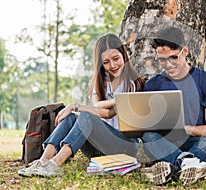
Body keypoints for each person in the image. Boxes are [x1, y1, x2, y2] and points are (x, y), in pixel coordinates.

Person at [18, 33, 145, 177]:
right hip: (99, 148)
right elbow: (99, 107)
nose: (112, 65)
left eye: (116, 59)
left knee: (86, 116)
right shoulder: (101, 83)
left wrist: (76, 106)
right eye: (106, 62)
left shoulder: (134, 84)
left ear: (124, 55)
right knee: (71, 118)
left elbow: (108, 113)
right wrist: (74, 108)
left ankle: (56, 163)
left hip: (125, 147)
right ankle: (44, 161)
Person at [141, 27, 206, 185]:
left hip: (194, 140)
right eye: (162, 60)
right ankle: (188, 165)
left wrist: (185, 128)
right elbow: (148, 125)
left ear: (184, 51)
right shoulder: (152, 84)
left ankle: (170, 167)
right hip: (165, 141)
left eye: (173, 57)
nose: (168, 64)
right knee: (149, 137)